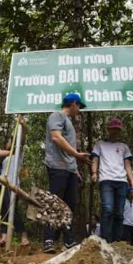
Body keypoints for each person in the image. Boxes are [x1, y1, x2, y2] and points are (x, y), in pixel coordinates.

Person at [42, 93, 91, 253]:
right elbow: (56, 137)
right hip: (57, 166)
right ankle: (48, 239)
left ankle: (69, 241)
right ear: (74, 104)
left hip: (69, 169)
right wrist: (76, 155)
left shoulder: (69, 122)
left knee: (69, 205)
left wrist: (75, 170)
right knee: (54, 202)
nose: (79, 110)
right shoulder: (57, 115)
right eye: (79, 107)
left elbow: (68, 147)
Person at [91, 117, 133, 243]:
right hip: (106, 180)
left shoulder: (123, 147)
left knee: (119, 213)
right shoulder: (100, 144)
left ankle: (117, 241)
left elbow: (127, 165)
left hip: (121, 181)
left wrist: (131, 179)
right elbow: (95, 159)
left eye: (117, 130)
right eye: (113, 129)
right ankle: (106, 240)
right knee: (108, 209)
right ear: (108, 129)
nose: (115, 132)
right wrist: (94, 173)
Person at [0, 116, 29, 248]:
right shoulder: (5, 156)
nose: (10, 143)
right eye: (9, 141)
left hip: (12, 185)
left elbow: (22, 141)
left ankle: (23, 236)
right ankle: (4, 237)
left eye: (12, 141)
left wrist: (24, 127)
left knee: (12, 210)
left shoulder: (18, 154)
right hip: (2, 185)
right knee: (3, 210)